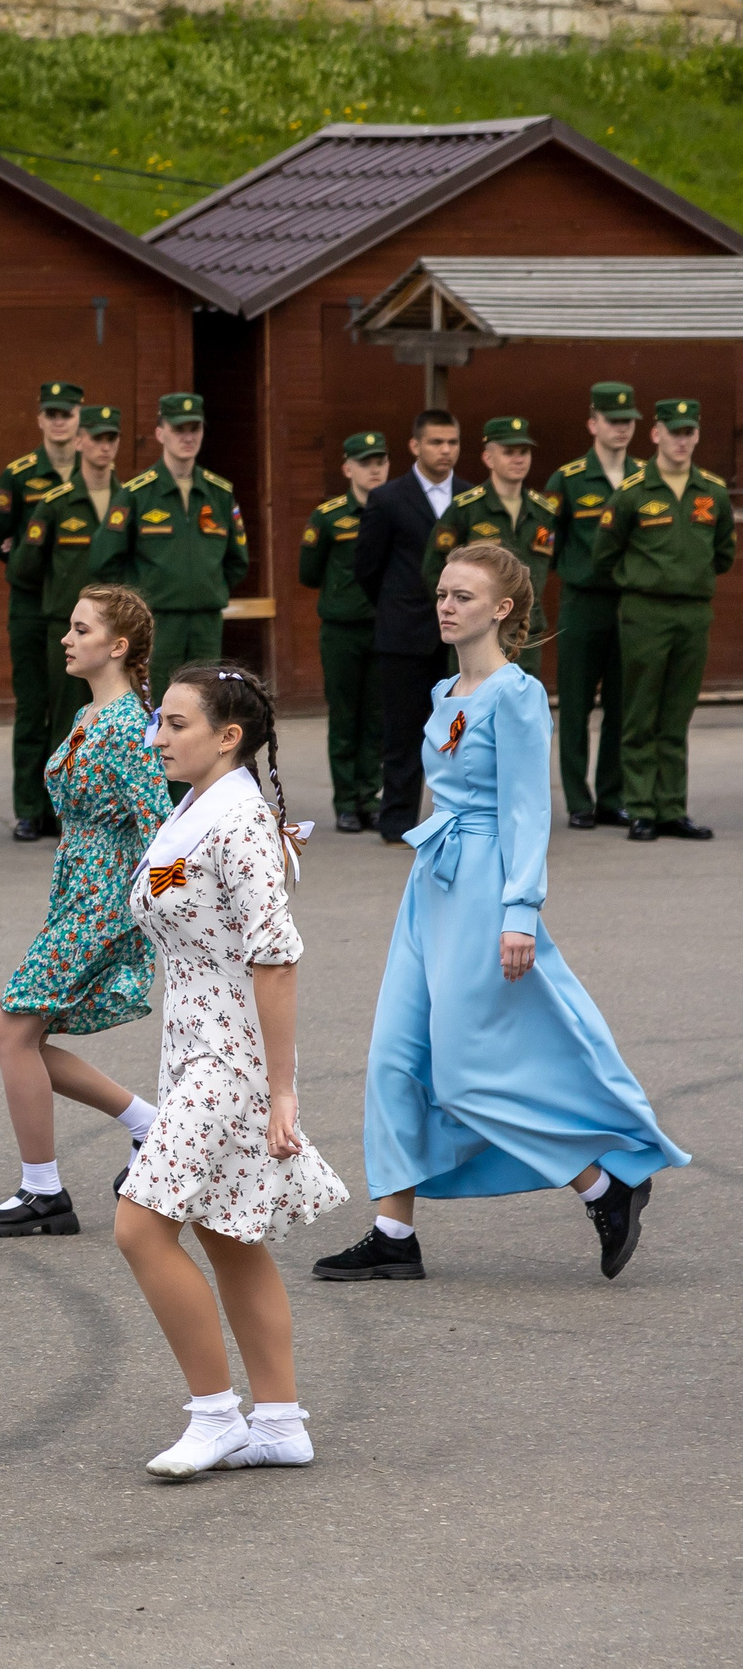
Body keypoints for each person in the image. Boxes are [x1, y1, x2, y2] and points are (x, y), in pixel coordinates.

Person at [314, 543, 685, 1285]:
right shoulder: (446, 691)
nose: (445, 604)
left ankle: (602, 1184)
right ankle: (394, 1234)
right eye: (443, 592)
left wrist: (519, 910)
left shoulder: (514, 694)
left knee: (465, 1072)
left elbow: (524, 811)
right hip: (431, 881)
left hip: (486, 885)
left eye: (463, 595)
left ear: (503, 609)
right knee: (393, 1056)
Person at [115, 663, 344, 1479]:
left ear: (228, 736)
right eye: (160, 721)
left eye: (175, 724)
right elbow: (174, 904)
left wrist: (282, 1090)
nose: (159, 737)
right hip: (193, 1053)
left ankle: (214, 1416)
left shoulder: (237, 820)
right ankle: (279, 1422)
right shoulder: (197, 807)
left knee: (139, 1225)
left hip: (229, 1060)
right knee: (225, 1231)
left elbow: (275, 959)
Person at [0, 587, 169, 1237]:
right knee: (20, 1038)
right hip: (76, 895)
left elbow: (162, 826)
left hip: (105, 901)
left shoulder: (131, 725)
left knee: (11, 1031)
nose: (66, 637)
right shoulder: (92, 714)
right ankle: (148, 1126)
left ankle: (43, 1192)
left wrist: (158, 912)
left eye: (81, 629)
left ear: (117, 646)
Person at [594, 397, 732, 843]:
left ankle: (672, 807)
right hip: (645, 612)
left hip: (693, 613)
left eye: (689, 432)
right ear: (656, 434)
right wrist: (642, 581)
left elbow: (724, 552)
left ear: (696, 435)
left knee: (677, 713)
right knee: (641, 710)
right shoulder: (633, 491)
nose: (682, 440)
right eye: (674, 432)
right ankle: (641, 809)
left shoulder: (712, 491)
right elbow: (606, 552)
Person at [91, 392, 247, 703]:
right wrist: (142, 597)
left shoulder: (219, 493)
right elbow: (104, 559)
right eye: (179, 430)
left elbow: (236, 561)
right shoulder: (137, 493)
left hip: (206, 622)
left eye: (194, 429)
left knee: (204, 705)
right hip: (157, 622)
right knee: (155, 706)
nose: (187, 438)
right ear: (161, 433)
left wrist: (206, 588)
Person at [355, 408, 467, 843]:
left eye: (452, 442)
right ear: (415, 446)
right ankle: (398, 820)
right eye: (436, 442)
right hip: (405, 634)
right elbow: (368, 568)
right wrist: (397, 608)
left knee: (458, 731)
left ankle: (453, 816)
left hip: (458, 639)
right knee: (403, 733)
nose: (445, 451)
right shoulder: (388, 498)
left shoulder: (468, 497)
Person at [545, 382, 644, 829]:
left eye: (627, 422)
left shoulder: (646, 476)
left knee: (622, 704)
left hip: (629, 602)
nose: (621, 429)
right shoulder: (567, 479)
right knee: (577, 704)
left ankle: (612, 796)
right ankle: (579, 802)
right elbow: (548, 541)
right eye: (612, 421)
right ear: (593, 423)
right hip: (583, 604)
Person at [0, 383, 84, 840]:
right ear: (40, 419)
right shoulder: (19, 475)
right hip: (30, 607)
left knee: (75, 713)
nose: (59, 421)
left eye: (66, 413)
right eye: (51, 413)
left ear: (79, 417)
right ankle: (28, 807)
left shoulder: (97, 474)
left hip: (81, 613)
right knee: (32, 708)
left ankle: (66, 809)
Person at [9, 404, 129, 761]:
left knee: (114, 720)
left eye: (111, 439)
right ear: (79, 441)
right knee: (65, 722)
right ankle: (56, 813)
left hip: (114, 630)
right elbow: (24, 567)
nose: (104, 447)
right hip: (66, 626)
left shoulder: (130, 498)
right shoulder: (55, 503)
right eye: (96, 438)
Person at [298, 432, 389, 832]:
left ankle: (371, 796)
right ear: (347, 468)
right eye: (365, 462)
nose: (374, 469)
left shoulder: (397, 510)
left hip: (385, 627)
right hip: (341, 630)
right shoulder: (329, 517)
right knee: (345, 715)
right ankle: (346, 803)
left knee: (377, 715)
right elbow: (308, 572)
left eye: (380, 461)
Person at [423, 417, 557, 678]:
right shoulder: (466, 510)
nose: (518, 459)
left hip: (525, 634)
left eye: (524, 452)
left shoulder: (544, 512)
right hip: (477, 634)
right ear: (488, 458)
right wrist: (462, 610)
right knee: (470, 709)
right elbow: (434, 570)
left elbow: (548, 566)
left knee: (522, 711)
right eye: (508, 452)